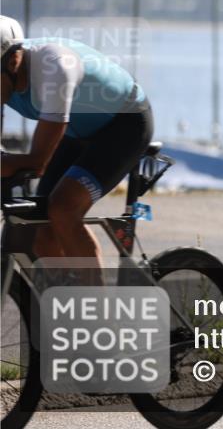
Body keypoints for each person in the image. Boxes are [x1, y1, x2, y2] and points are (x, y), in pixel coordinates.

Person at [0, 15, 153, 264]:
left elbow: (38, 162)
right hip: (74, 131)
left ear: (13, 61)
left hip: (125, 124)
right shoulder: (6, 76)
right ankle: (63, 297)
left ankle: (94, 303)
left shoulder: (54, 66)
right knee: (42, 231)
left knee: (63, 210)